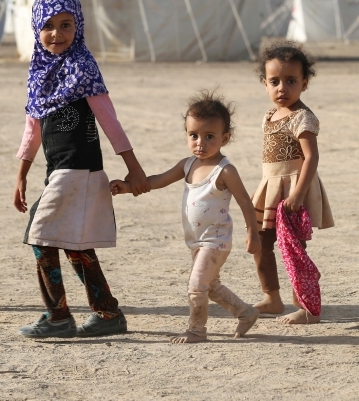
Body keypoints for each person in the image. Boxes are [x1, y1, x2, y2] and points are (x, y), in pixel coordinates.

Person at [13, 0, 149, 339]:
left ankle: (57, 317)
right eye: (48, 26)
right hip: (59, 171)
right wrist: (21, 176)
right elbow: (32, 131)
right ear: (36, 29)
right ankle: (108, 314)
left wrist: (134, 168)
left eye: (66, 24)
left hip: (79, 169)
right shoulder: (39, 76)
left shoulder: (83, 68)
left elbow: (110, 122)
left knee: (40, 235)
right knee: (75, 243)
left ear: (79, 26)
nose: (57, 33)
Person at [110, 91, 261, 343]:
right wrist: (128, 187)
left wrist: (252, 232)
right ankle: (246, 313)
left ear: (225, 138)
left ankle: (196, 330)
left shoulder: (225, 171)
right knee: (210, 286)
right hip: (196, 241)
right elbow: (157, 180)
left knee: (196, 285)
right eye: (194, 135)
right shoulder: (187, 165)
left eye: (209, 136)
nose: (200, 142)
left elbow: (245, 201)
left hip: (216, 241)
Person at [250, 41, 334, 325]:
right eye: (274, 81)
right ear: (265, 84)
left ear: (304, 83)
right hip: (270, 188)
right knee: (261, 243)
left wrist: (297, 194)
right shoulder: (269, 116)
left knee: (295, 249)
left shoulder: (303, 117)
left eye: (291, 81)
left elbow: (311, 157)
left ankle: (306, 308)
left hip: (293, 191)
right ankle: (272, 297)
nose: (282, 88)